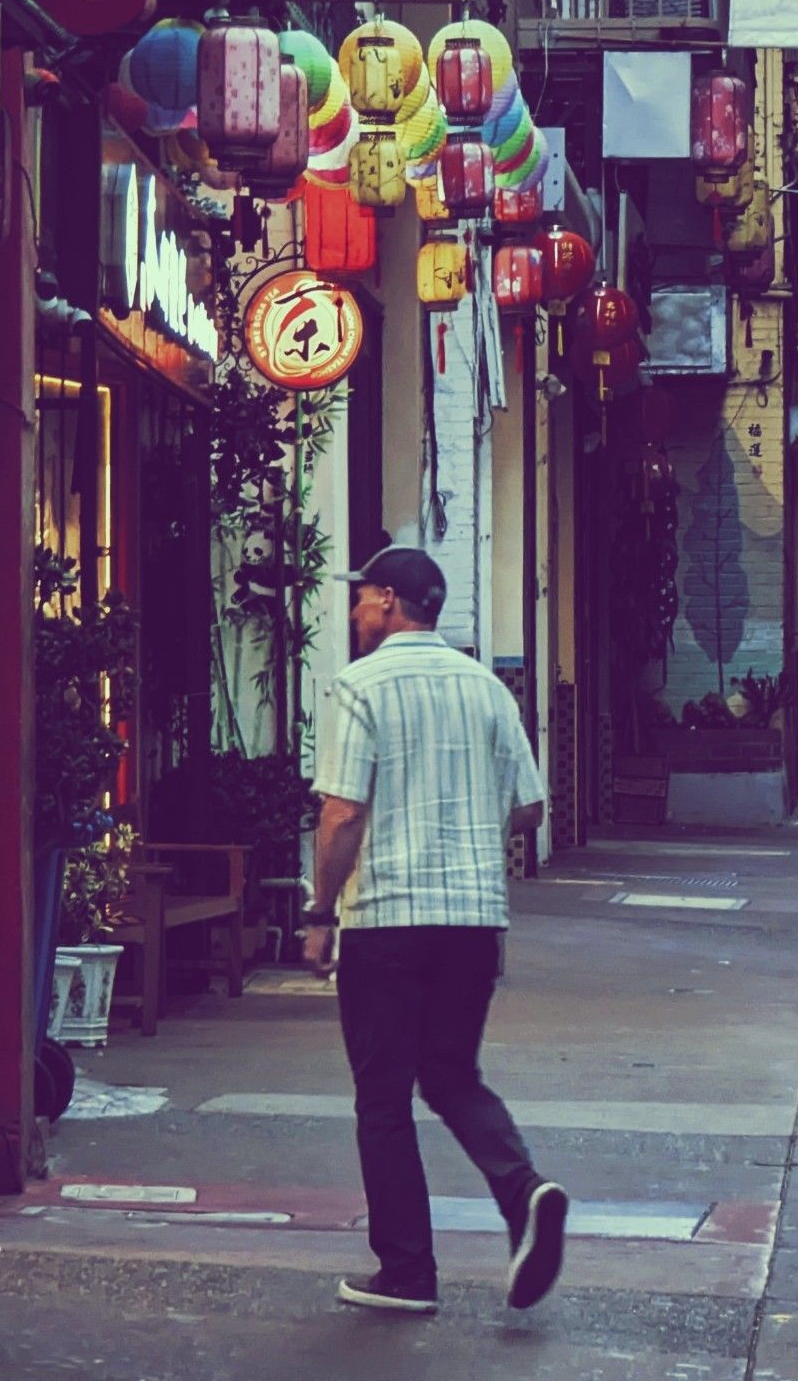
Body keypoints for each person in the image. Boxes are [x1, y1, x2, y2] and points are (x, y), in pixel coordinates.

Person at [306, 545, 569, 1317]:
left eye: (361, 599)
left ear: (389, 601)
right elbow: (529, 807)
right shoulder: (486, 688)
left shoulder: (359, 686)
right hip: (472, 920)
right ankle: (525, 1192)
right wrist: (465, 830)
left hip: (388, 920)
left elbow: (343, 812)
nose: (355, 613)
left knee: (383, 1098)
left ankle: (408, 1273)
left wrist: (321, 913)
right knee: (451, 1074)